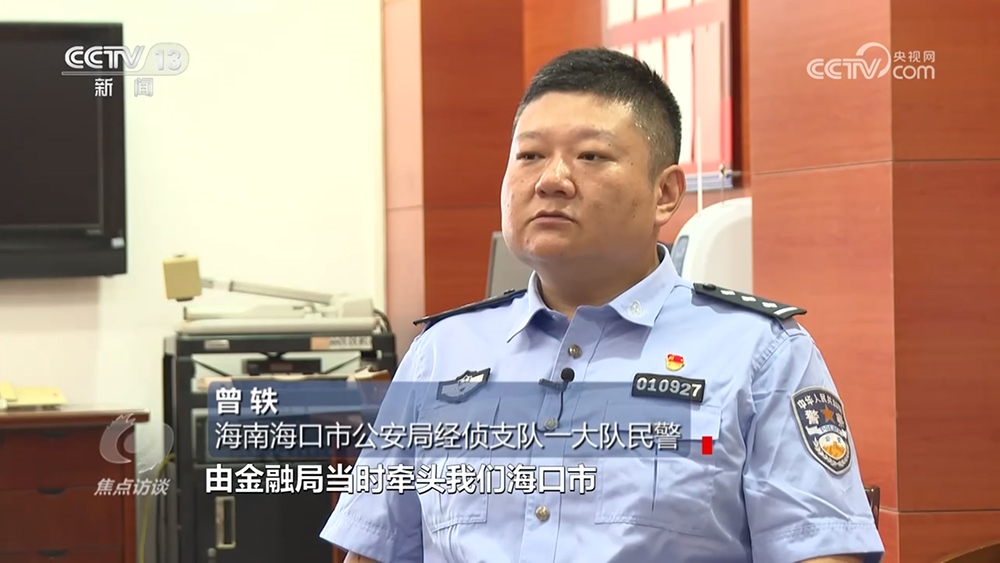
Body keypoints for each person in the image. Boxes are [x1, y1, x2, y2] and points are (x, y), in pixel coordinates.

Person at [320, 47, 884, 563]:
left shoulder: (759, 355)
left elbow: (821, 551)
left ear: (665, 193)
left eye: (590, 155)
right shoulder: (441, 354)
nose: (552, 180)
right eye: (530, 155)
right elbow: (374, 548)